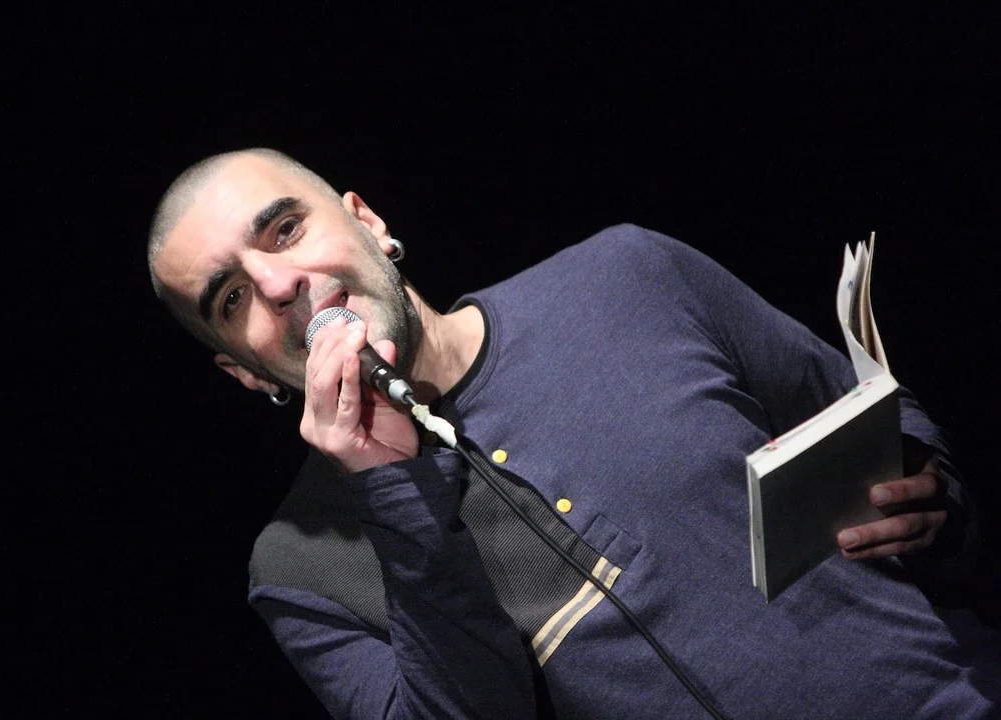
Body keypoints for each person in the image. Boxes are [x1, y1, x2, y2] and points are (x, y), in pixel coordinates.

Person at [147, 148, 998, 719]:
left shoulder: (627, 274)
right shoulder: (298, 568)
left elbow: (872, 412)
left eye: (285, 229)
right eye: (233, 298)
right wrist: (393, 495)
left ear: (366, 222)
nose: (280, 284)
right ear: (245, 373)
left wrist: (938, 499)